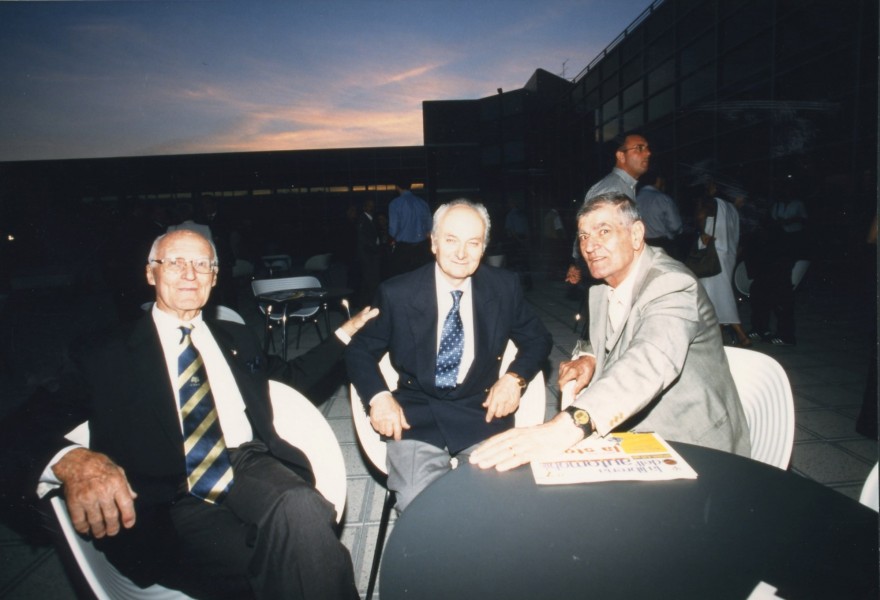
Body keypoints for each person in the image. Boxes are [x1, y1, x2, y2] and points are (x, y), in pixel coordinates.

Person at [1, 229, 377, 599]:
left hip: (246, 462)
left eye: (201, 265)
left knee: (304, 506)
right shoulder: (103, 351)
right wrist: (72, 460)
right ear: (151, 273)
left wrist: (343, 335)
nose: (190, 274)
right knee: (281, 554)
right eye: (175, 262)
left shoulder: (235, 337)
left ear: (214, 278)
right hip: (163, 498)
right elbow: (21, 426)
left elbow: (288, 378)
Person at [471, 193, 750, 473]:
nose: (590, 246)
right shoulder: (602, 288)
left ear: (636, 234)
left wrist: (566, 426)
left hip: (694, 447)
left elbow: (650, 359)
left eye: (603, 231)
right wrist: (590, 357)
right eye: (583, 236)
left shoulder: (671, 283)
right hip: (633, 437)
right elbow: (613, 337)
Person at [345, 199, 552, 512]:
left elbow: (538, 338)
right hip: (416, 414)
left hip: (481, 410)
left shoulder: (504, 287)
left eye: (473, 243)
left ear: (483, 248)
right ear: (434, 242)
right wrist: (379, 397)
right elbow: (359, 348)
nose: (461, 253)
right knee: (420, 505)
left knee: (502, 502)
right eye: (451, 240)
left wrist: (515, 378)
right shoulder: (397, 293)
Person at [565, 132, 651, 286]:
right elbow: (587, 230)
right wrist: (578, 264)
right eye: (639, 148)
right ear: (621, 156)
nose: (648, 153)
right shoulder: (613, 189)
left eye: (647, 148)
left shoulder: (625, 187)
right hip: (608, 271)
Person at [695, 185, 751, 348]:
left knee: (720, 294)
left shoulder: (714, 203)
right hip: (727, 255)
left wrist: (702, 232)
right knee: (715, 294)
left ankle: (741, 334)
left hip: (713, 254)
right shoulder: (732, 209)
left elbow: (700, 215)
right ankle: (718, 336)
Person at [388, 182, 432, 278]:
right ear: (410, 186)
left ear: (397, 187)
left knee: (403, 279)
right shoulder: (422, 203)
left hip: (404, 248)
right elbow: (430, 227)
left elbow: (393, 230)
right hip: (421, 248)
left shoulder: (395, 203)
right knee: (421, 277)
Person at [635, 171, 682, 259]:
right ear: (658, 180)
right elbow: (675, 226)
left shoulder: (634, 199)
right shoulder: (663, 199)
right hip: (662, 244)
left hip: (640, 244)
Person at [355, 198, 381, 308]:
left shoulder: (371, 219)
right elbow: (362, 238)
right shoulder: (363, 220)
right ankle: (368, 304)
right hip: (367, 254)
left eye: (373, 205)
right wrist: (374, 246)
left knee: (368, 280)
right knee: (370, 280)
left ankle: (365, 304)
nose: (372, 207)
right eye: (369, 205)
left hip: (370, 254)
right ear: (364, 207)